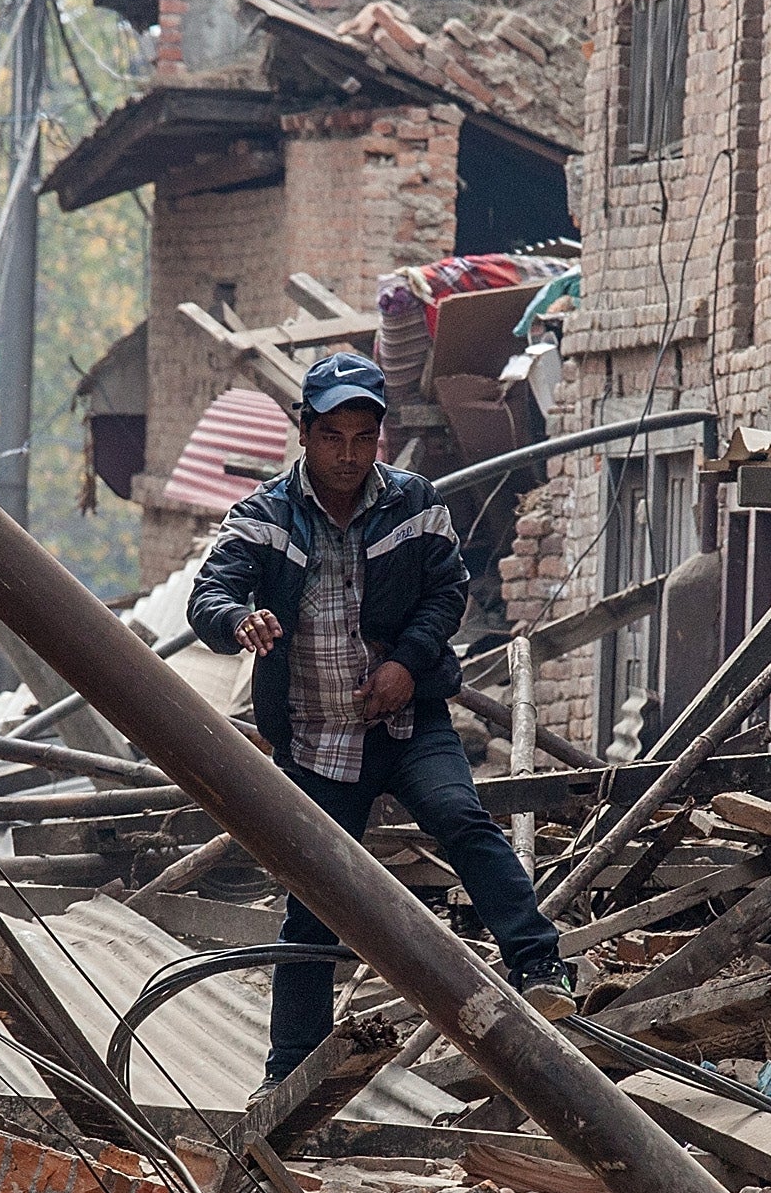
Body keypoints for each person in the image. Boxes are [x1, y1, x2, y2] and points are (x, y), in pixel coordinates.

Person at [188, 351, 572, 1081]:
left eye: (363, 439)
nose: (348, 455)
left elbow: (446, 592)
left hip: (406, 721)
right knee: (315, 900)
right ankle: (292, 1070)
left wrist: (406, 664)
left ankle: (539, 965)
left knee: (460, 817)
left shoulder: (414, 502)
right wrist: (240, 619)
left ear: (379, 441)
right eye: (333, 437)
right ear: (305, 433)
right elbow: (208, 596)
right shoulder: (263, 517)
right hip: (315, 736)